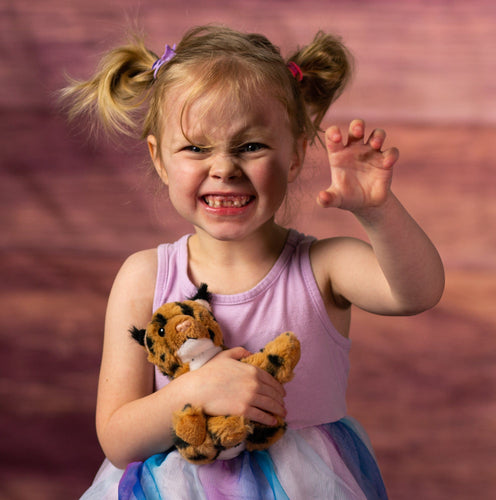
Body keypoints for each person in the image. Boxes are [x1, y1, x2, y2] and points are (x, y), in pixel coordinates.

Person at [61, 25, 445, 499]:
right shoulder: (144, 278)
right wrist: (195, 392)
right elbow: (119, 439)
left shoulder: (323, 267)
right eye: (196, 148)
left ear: (296, 155)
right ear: (160, 160)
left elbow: (417, 292)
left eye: (251, 146)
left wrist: (377, 211)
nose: (223, 167)